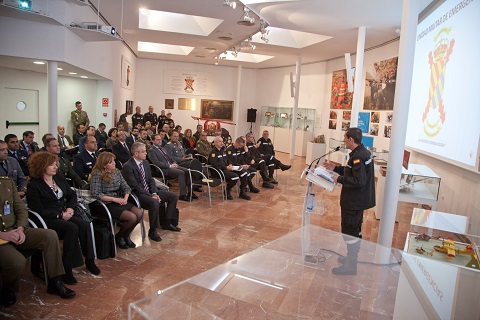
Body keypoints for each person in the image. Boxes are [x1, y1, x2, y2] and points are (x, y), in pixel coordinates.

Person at [26, 152, 100, 284]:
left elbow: (72, 195)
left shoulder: (59, 178)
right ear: (42, 166)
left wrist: (70, 208)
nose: (55, 167)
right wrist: (61, 215)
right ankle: (66, 269)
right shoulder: (34, 185)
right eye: (52, 165)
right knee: (71, 228)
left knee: (84, 224)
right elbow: (38, 210)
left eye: (56, 164)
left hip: (65, 213)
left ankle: (90, 260)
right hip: (47, 219)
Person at [0, 177, 75, 306]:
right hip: (1, 237)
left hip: (16, 229)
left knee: (50, 235)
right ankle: (7, 288)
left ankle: (55, 282)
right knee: (17, 261)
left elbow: (21, 209)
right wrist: (2, 234)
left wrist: (20, 227)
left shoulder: (6, 182)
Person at [323, 127, 375, 275]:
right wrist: (336, 168)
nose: (344, 140)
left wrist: (338, 178)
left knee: (349, 230)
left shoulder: (358, 156)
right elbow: (352, 171)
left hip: (354, 201)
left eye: (345, 138)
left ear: (351, 139)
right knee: (354, 230)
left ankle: (351, 265)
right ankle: (351, 259)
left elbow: (358, 180)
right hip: (358, 200)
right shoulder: (362, 153)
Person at [123, 143, 180, 242]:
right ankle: (153, 230)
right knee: (154, 202)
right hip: (138, 194)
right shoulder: (128, 166)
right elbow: (135, 186)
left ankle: (167, 222)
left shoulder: (145, 163)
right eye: (143, 151)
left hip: (149, 191)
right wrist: (151, 196)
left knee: (173, 196)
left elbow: (150, 180)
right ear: (136, 153)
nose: (146, 153)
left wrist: (154, 193)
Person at [90, 152, 143, 249]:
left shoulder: (117, 171)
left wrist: (125, 199)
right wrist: (115, 199)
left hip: (119, 200)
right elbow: (96, 193)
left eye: (114, 161)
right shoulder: (97, 173)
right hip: (105, 203)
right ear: (104, 164)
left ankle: (125, 235)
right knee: (131, 217)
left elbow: (126, 187)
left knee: (139, 213)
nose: (114, 163)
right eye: (110, 162)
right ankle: (119, 237)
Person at [148, 133, 197, 202]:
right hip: (163, 169)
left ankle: (190, 192)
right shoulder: (151, 150)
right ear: (152, 141)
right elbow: (156, 163)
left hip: (171, 166)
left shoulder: (163, 148)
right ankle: (182, 195)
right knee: (181, 173)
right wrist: (170, 166)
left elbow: (170, 158)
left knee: (187, 171)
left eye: (160, 139)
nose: (160, 141)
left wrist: (174, 163)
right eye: (157, 140)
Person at [208, 136, 241, 201]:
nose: (222, 143)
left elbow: (227, 160)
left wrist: (229, 165)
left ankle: (227, 190)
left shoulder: (222, 151)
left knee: (238, 174)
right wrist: (226, 167)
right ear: (215, 142)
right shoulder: (213, 153)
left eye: (222, 141)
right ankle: (227, 191)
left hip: (225, 169)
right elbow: (215, 164)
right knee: (235, 177)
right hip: (217, 172)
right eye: (220, 141)